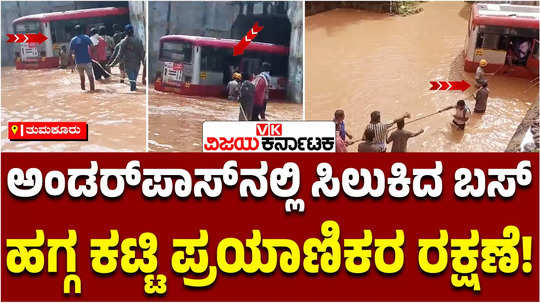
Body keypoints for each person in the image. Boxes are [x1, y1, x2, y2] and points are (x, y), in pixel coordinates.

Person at [108, 24, 145, 91]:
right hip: (137, 64)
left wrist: (112, 64)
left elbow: (119, 55)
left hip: (128, 64)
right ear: (133, 31)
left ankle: (133, 93)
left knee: (132, 81)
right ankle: (134, 93)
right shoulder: (139, 41)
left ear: (126, 32)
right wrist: (144, 63)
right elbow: (142, 54)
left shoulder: (123, 42)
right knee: (134, 81)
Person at [69, 25, 95, 91]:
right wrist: (91, 56)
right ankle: (92, 91)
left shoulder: (73, 40)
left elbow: (70, 53)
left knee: (82, 78)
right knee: (91, 78)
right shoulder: (86, 37)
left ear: (75, 32)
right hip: (87, 61)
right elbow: (92, 47)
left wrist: (72, 65)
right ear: (82, 30)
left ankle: (83, 90)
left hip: (78, 62)